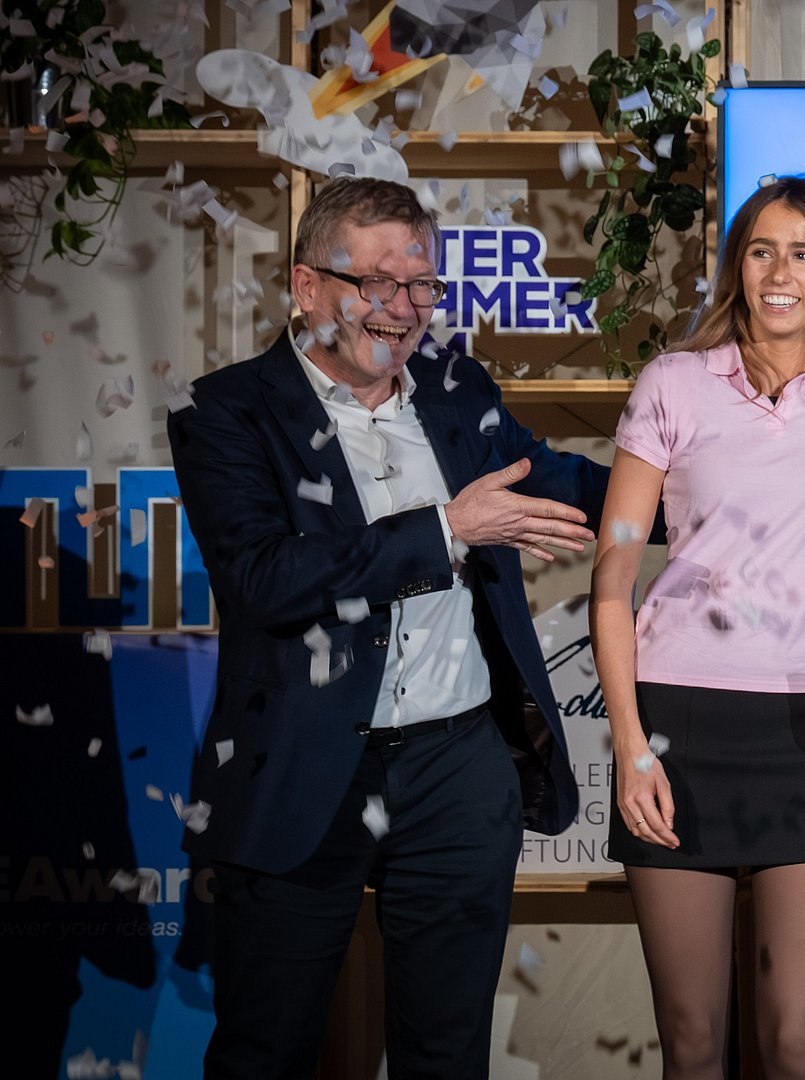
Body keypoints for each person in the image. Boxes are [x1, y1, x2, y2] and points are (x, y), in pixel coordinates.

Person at [167, 176, 609, 1078]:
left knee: (445, 1053)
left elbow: (550, 477)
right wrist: (449, 532)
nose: (403, 311)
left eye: (421, 287)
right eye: (376, 284)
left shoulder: (454, 384)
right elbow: (265, 578)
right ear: (306, 287)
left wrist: (693, 494)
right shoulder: (226, 412)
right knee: (267, 1048)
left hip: (456, 764)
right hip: (302, 765)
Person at [589, 175, 805, 1080]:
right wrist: (630, 748)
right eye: (761, 250)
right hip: (674, 725)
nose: (781, 272)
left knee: (796, 1044)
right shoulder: (673, 381)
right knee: (697, 1046)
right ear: (737, 267)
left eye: (804, 253)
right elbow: (613, 578)